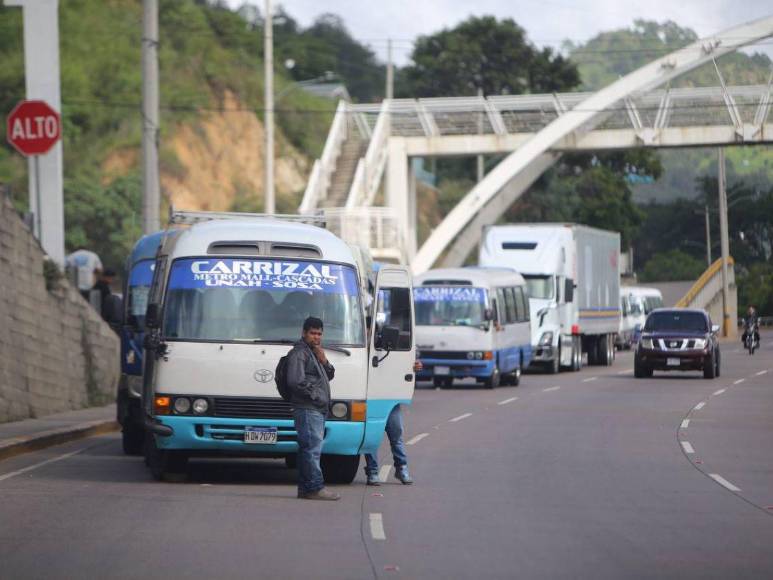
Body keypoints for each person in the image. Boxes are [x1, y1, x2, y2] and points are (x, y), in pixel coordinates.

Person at [286, 316, 340, 501]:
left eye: (319, 334)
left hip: (315, 408)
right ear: (304, 333)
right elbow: (295, 381)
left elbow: (329, 375)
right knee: (312, 449)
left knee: (308, 449)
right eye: (313, 333)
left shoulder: (313, 353)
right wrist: (316, 397)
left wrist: (323, 359)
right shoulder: (299, 353)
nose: (316, 337)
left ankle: (305, 488)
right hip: (308, 408)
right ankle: (315, 487)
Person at [363, 360, 421, 486]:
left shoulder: (394, 347)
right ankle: (372, 471)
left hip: (390, 399)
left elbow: (407, 360)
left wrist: (414, 366)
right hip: (370, 397)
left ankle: (401, 468)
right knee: (371, 437)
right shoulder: (363, 345)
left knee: (396, 436)